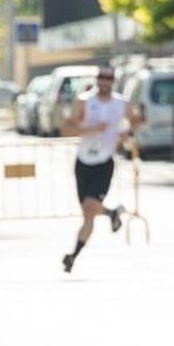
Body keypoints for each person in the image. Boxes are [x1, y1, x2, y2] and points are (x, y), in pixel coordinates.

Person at [58, 65, 144, 273]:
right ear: (97, 79)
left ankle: (75, 254)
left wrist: (128, 134)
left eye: (109, 78)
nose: (105, 81)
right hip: (83, 161)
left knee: (90, 206)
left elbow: (137, 120)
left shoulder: (121, 103)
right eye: (102, 77)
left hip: (105, 162)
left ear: (113, 81)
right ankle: (74, 255)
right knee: (88, 214)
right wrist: (90, 129)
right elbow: (66, 128)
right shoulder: (85, 101)